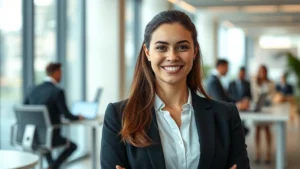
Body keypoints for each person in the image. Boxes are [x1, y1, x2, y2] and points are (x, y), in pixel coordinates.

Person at [100, 10, 249, 169]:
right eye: (161, 47)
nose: (172, 56)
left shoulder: (226, 116)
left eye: (182, 47)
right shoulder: (119, 116)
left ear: (195, 51)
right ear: (147, 52)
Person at [24, 63, 84, 169]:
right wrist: (78, 117)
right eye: (60, 72)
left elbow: (25, 109)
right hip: (51, 136)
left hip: (33, 136)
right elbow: (67, 115)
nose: (61, 75)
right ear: (56, 73)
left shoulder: (32, 89)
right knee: (73, 146)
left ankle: (51, 166)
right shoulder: (57, 91)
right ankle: (53, 167)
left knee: (45, 145)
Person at [252, 65, 276, 164]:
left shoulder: (271, 83)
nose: (262, 73)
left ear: (266, 72)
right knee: (257, 129)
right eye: (261, 71)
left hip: (267, 108)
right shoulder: (254, 82)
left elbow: (273, 94)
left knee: (267, 129)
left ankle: (268, 154)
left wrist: (268, 99)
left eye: (264, 71)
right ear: (258, 72)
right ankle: (258, 153)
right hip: (258, 107)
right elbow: (254, 94)